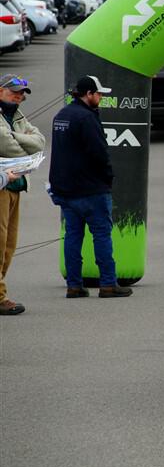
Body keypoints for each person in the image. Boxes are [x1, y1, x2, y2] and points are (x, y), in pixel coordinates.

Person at [48, 75, 131, 298]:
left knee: (73, 237)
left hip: (66, 190)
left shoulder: (61, 115)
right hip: (92, 189)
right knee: (102, 235)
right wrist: (108, 177)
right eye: (99, 94)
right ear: (89, 94)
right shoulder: (87, 118)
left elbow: (57, 153)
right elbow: (99, 153)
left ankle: (74, 286)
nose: (101, 97)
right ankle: (108, 284)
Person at [0, 74, 45, 315]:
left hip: (16, 186)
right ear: (0, 91)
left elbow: (39, 142)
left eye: (21, 94)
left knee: (9, 245)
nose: (19, 96)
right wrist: (23, 149)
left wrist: (15, 138)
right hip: (1, 186)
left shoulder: (17, 115)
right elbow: (5, 145)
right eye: (13, 91)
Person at [0, 169, 23, 314]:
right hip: (4, 182)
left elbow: (36, 147)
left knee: (9, 244)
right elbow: (8, 146)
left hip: (13, 184)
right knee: (0, 245)